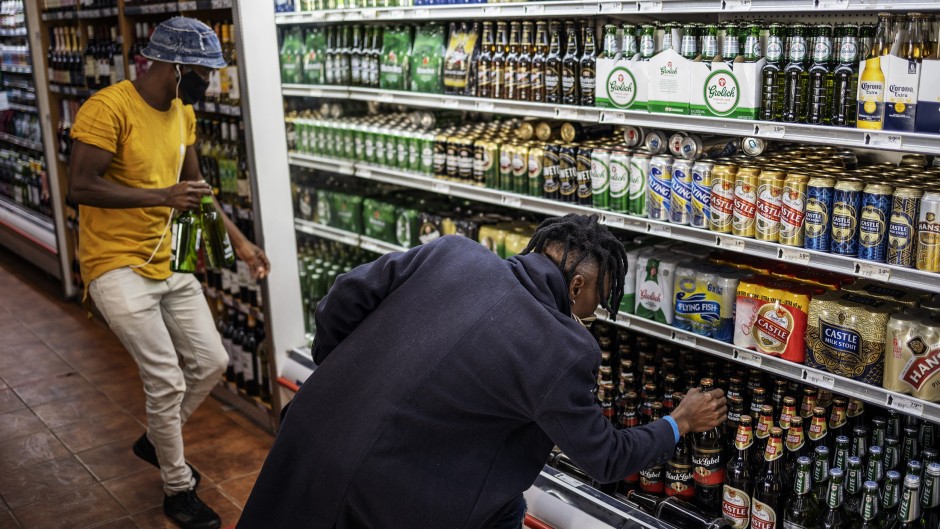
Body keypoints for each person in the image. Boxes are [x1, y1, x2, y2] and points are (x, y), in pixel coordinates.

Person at [237, 214, 726, 529]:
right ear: (576, 285)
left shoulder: (451, 251)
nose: (593, 314)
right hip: (388, 497)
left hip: (308, 436)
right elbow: (604, 457)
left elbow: (341, 297)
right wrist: (679, 421)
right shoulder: (562, 347)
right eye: (597, 301)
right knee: (505, 507)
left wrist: (346, 371)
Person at [67, 17, 269, 529]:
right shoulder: (108, 108)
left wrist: (240, 243)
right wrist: (160, 197)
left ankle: (157, 439)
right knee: (165, 378)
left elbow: (195, 190)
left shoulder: (182, 114)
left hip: (166, 258)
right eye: (202, 71)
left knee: (212, 360)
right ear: (175, 66)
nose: (208, 80)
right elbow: (80, 186)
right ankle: (178, 489)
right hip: (114, 262)